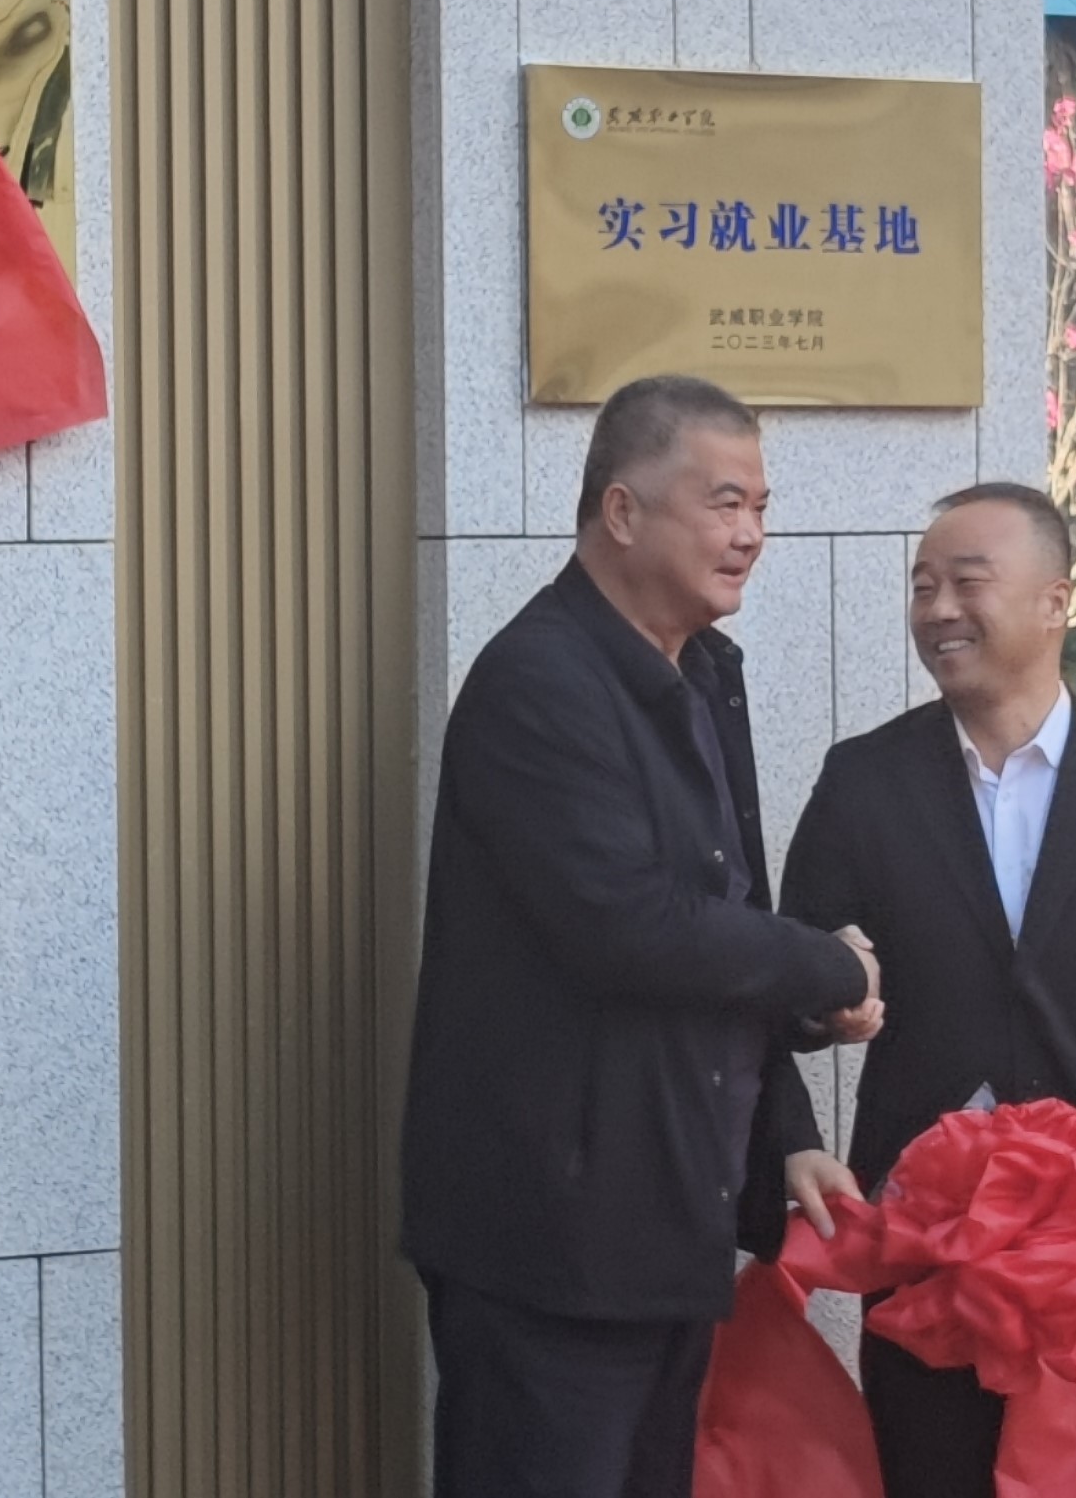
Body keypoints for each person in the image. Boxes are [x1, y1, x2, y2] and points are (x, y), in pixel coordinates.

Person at [401, 374, 881, 1498]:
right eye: (724, 503)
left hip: (667, 1226)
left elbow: (727, 910)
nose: (751, 534)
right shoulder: (539, 680)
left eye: (761, 505)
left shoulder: (703, 674)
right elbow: (628, 927)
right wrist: (828, 964)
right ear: (621, 510)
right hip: (549, 1245)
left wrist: (784, 1133)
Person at [779, 481, 1076, 1498]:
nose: (937, 608)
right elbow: (793, 982)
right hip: (933, 1256)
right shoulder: (863, 781)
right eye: (921, 586)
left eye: (966, 581)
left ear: (1054, 600)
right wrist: (826, 998)